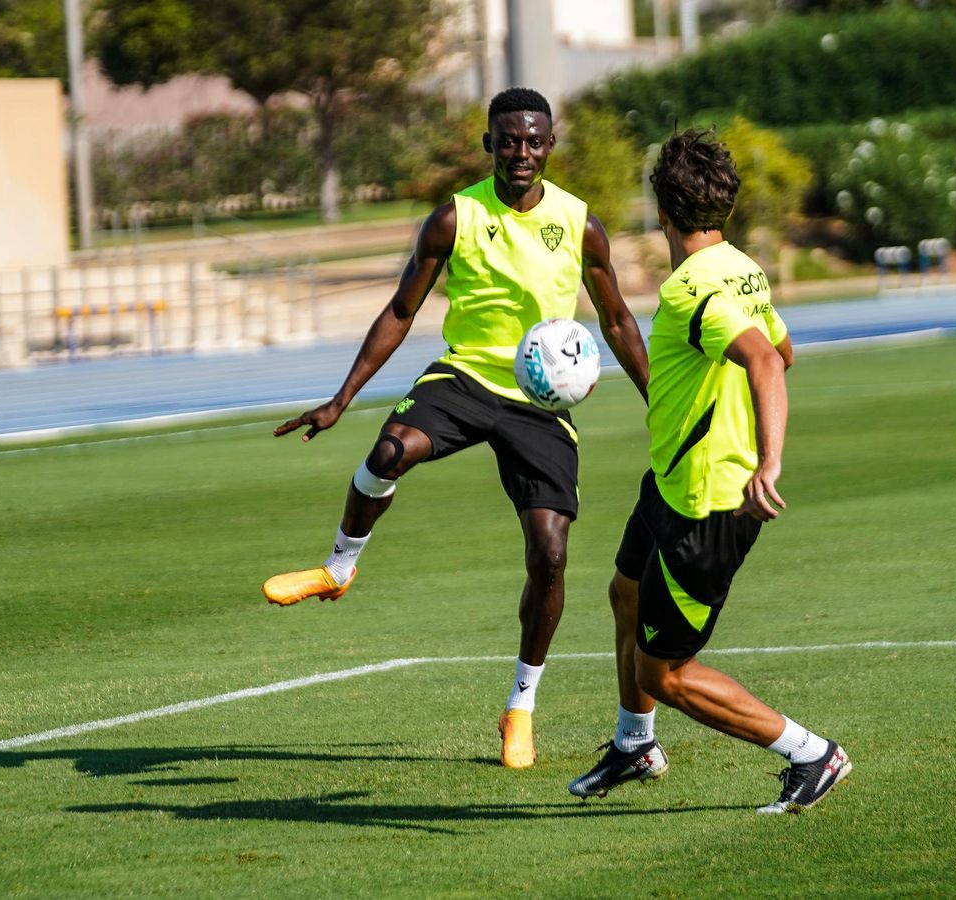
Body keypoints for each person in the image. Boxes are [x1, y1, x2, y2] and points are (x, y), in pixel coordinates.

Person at [261, 88, 650, 770]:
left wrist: (661, 399)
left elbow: (617, 319)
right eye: (509, 140)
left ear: (550, 145)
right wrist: (341, 398)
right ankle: (338, 567)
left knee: (551, 552)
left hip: (539, 402)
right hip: (465, 378)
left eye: (534, 141)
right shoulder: (456, 218)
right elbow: (400, 310)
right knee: (389, 451)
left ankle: (520, 708)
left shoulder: (580, 225)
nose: (521, 152)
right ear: (489, 144)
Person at [567, 129, 850, 813]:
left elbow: (761, 357)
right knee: (624, 593)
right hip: (668, 481)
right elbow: (785, 348)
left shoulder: (691, 289)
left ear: (660, 208)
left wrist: (766, 460)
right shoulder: (741, 267)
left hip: (707, 507)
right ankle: (635, 745)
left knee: (665, 674)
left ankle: (811, 754)